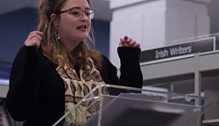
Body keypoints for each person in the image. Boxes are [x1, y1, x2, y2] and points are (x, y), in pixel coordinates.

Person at [5, 0, 143, 125]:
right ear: (55, 20)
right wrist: (31, 59)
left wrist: (129, 60)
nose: (84, 18)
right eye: (75, 12)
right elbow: (19, 111)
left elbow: (127, 106)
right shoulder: (36, 56)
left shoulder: (99, 63)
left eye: (87, 13)